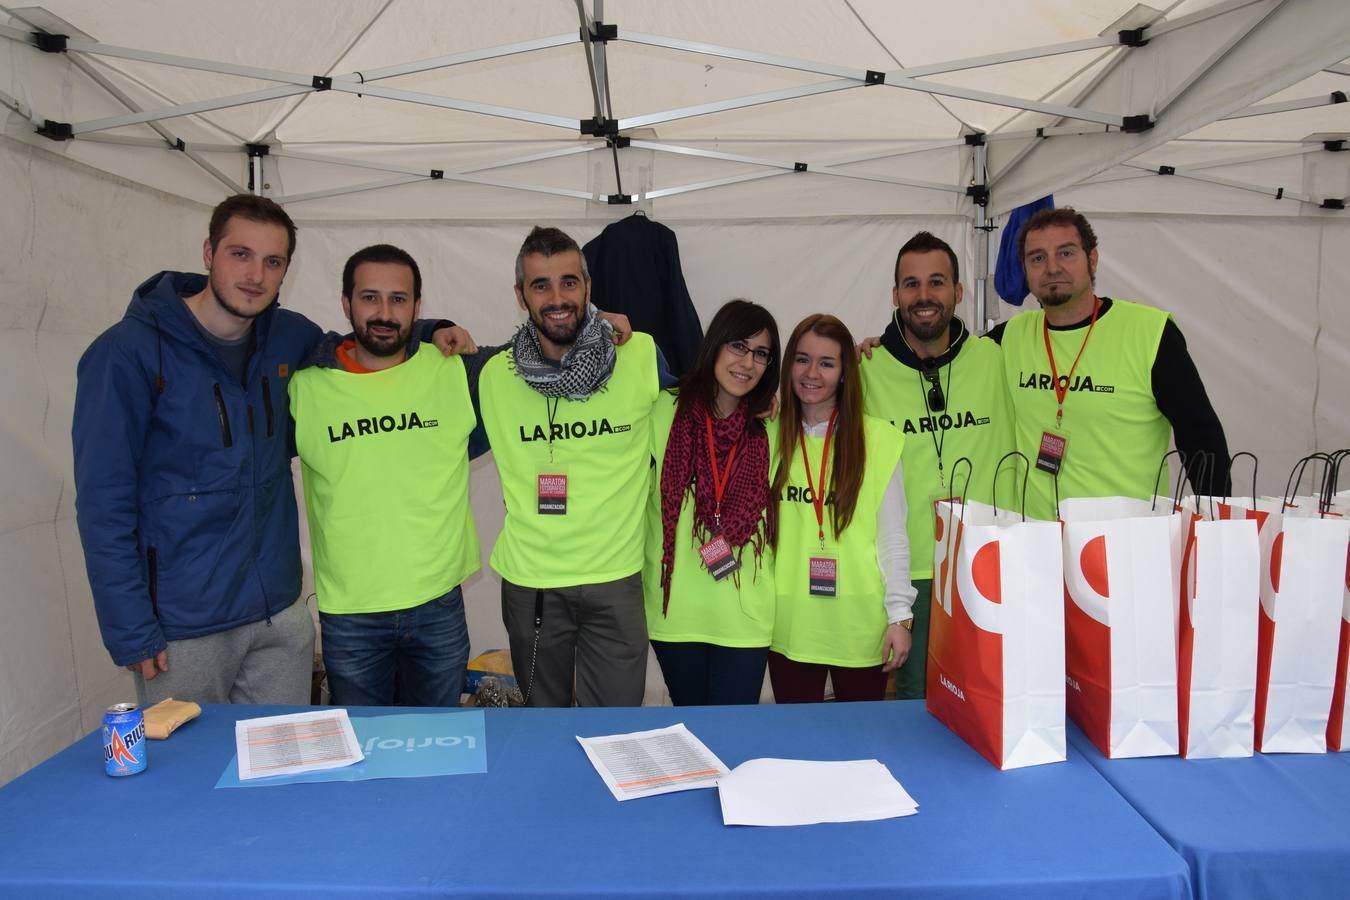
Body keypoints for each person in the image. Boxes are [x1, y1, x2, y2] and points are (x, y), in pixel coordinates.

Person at [72, 194, 472, 706]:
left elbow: (366, 340)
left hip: (279, 617)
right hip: (185, 624)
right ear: (208, 253)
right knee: (186, 777)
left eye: (273, 261)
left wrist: (428, 329)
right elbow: (103, 502)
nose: (255, 274)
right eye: (241, 254)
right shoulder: (125, 353)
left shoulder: (287, 338)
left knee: (286, 774)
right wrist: (129, 626)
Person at [289, 245, 484, 706]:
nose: (383, 312)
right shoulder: (304, 386)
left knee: (441, 751)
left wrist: (607, 326)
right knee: (363, 756)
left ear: (418, 308)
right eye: (369, 297)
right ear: (345, 304)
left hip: (437, 604)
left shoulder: (455, 370)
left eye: (398, 299)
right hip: (351, 614)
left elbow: (545, 358)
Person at [478, 226, 660, 707]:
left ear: (588, 287)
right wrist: (426, 325)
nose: (557, 298)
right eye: (541, 285)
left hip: (616, 580)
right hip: (532, 586)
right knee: (543, 729)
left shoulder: (639, 355)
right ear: (521, 295)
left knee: (615, 730)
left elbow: (709, 401)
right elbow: (398, 352)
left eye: (568, 282)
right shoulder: (494, 375)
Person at [989, 207, 1230, 520]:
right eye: (1037, 258)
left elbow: (1202, 439)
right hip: (1040, 547)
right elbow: (947, 353)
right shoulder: (1009, 338)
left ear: (1092, 260)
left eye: (1065, 253)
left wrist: (1215, 527)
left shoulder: (1150, 333)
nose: (1052, 267)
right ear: (1025, 269)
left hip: (1127, 547)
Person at [858, 232, 1016, 700]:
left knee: (990, 699)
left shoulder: (997, 356)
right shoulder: (864, 367)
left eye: (936, 282)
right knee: (914, 707)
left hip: (987, 561)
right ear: (895, 296)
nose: (924, 296)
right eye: (911, 284)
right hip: (910, 574)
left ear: (959, 292)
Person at [770, 314, 914, 703]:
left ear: (845, 372)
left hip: (859, 623)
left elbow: (893, 538)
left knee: (861, 747)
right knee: (799, 751)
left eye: (827, 363)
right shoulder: (768, 437)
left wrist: (900, 616)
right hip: (790, 625)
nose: (811, 373)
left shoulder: (878, 440)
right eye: (802, 359)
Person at [644, 299, 781, 706]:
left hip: (745, 615)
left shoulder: (775, 423)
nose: (748, 362)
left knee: (732, 740)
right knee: (692, 738)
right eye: (738, 346)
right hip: (676, 615)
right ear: (715, 345)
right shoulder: (662, 410)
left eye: (761, 353)